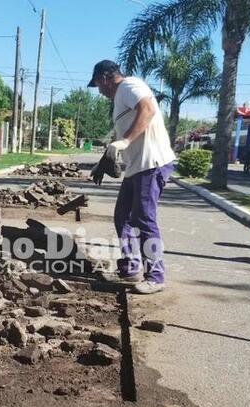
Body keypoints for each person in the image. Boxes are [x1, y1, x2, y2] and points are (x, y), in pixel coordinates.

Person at [87, 60, 177, 294]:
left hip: (152, 163)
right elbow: (120, 139)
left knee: (144, 218)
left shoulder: (129, 86)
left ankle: (156, 276)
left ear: (106, 77)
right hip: (136, 167)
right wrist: (102, 164)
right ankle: (130, 267)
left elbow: (148, 109)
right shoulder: (120, 100)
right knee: (122, 217)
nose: (99, 90)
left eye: (98, 84)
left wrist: (125, 141)